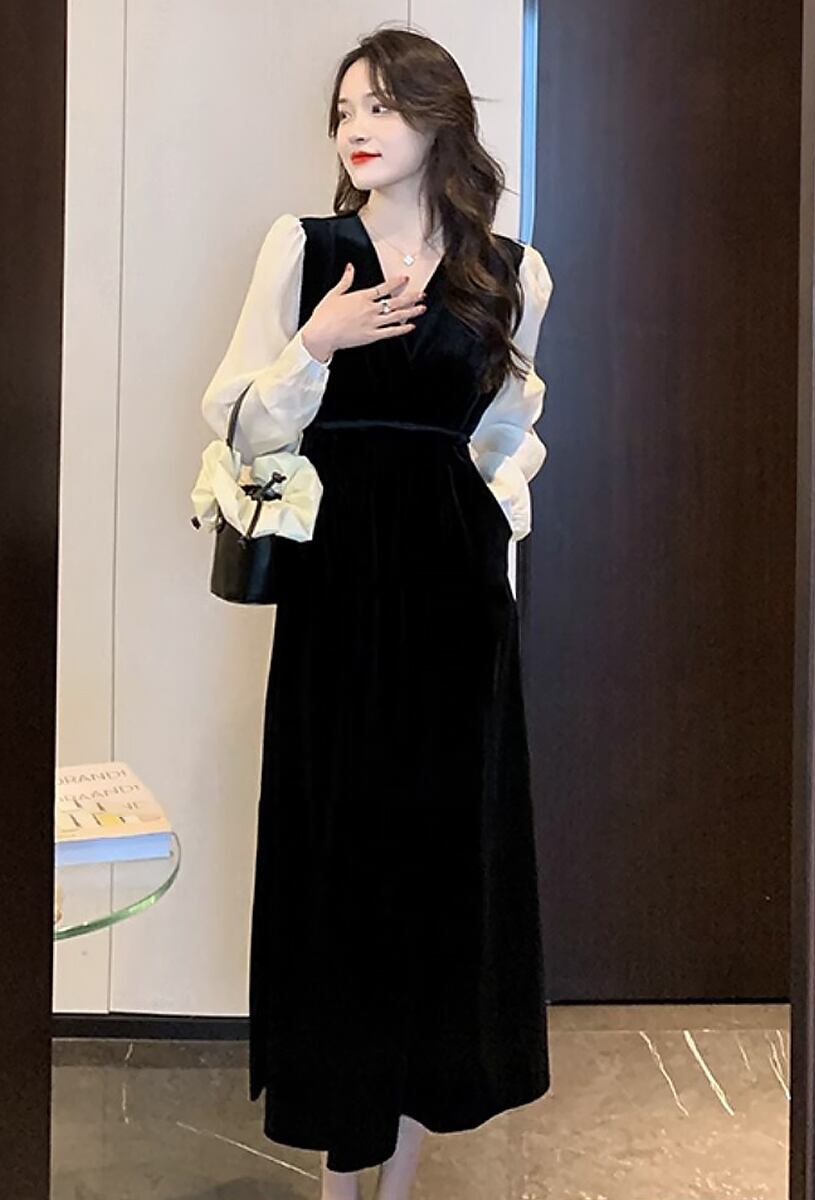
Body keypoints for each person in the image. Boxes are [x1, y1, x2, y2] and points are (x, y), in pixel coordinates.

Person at [200, 26, 554, 1200]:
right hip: (340, 596)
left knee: (438, 865)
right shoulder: (304, 251)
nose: (357, 127)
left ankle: (396, 1175)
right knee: (339, 860)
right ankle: (337, 1168)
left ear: (438, 119)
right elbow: (237, 420)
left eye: (383, 107)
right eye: (346, 109)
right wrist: (316, 344)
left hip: (456, 603)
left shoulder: (513, 272)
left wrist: (490, 540)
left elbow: (505, 438)